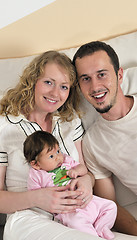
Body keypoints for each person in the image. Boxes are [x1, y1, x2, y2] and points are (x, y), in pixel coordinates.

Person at [0, 50, 94, 240]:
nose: (55, 93)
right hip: (28, 221)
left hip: (76, 218)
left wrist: (86, 183)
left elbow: (86, 172)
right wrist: (37, 198)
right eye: (48, 82)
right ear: (33, 81)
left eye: (64, 87)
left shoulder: (70, 121)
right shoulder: (5, 126)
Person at [72, 41, 137, 240]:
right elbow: (108, 207)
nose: (95, 86)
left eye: (102, 74)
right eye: (86, 79)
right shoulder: (93, 144)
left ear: (119, 75)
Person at [24, 130, 117, 240]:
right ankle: (94, 236)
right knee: (77, 223)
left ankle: (102, 227)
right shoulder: (36, 175)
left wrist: (77, 171)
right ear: (36, 164)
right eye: (51, 156)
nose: (58, 157)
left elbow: (83, 168)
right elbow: (35, 196)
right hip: (69, 210)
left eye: (58, 151)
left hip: (88, 200)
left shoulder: (66, 160)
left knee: (111, 206)